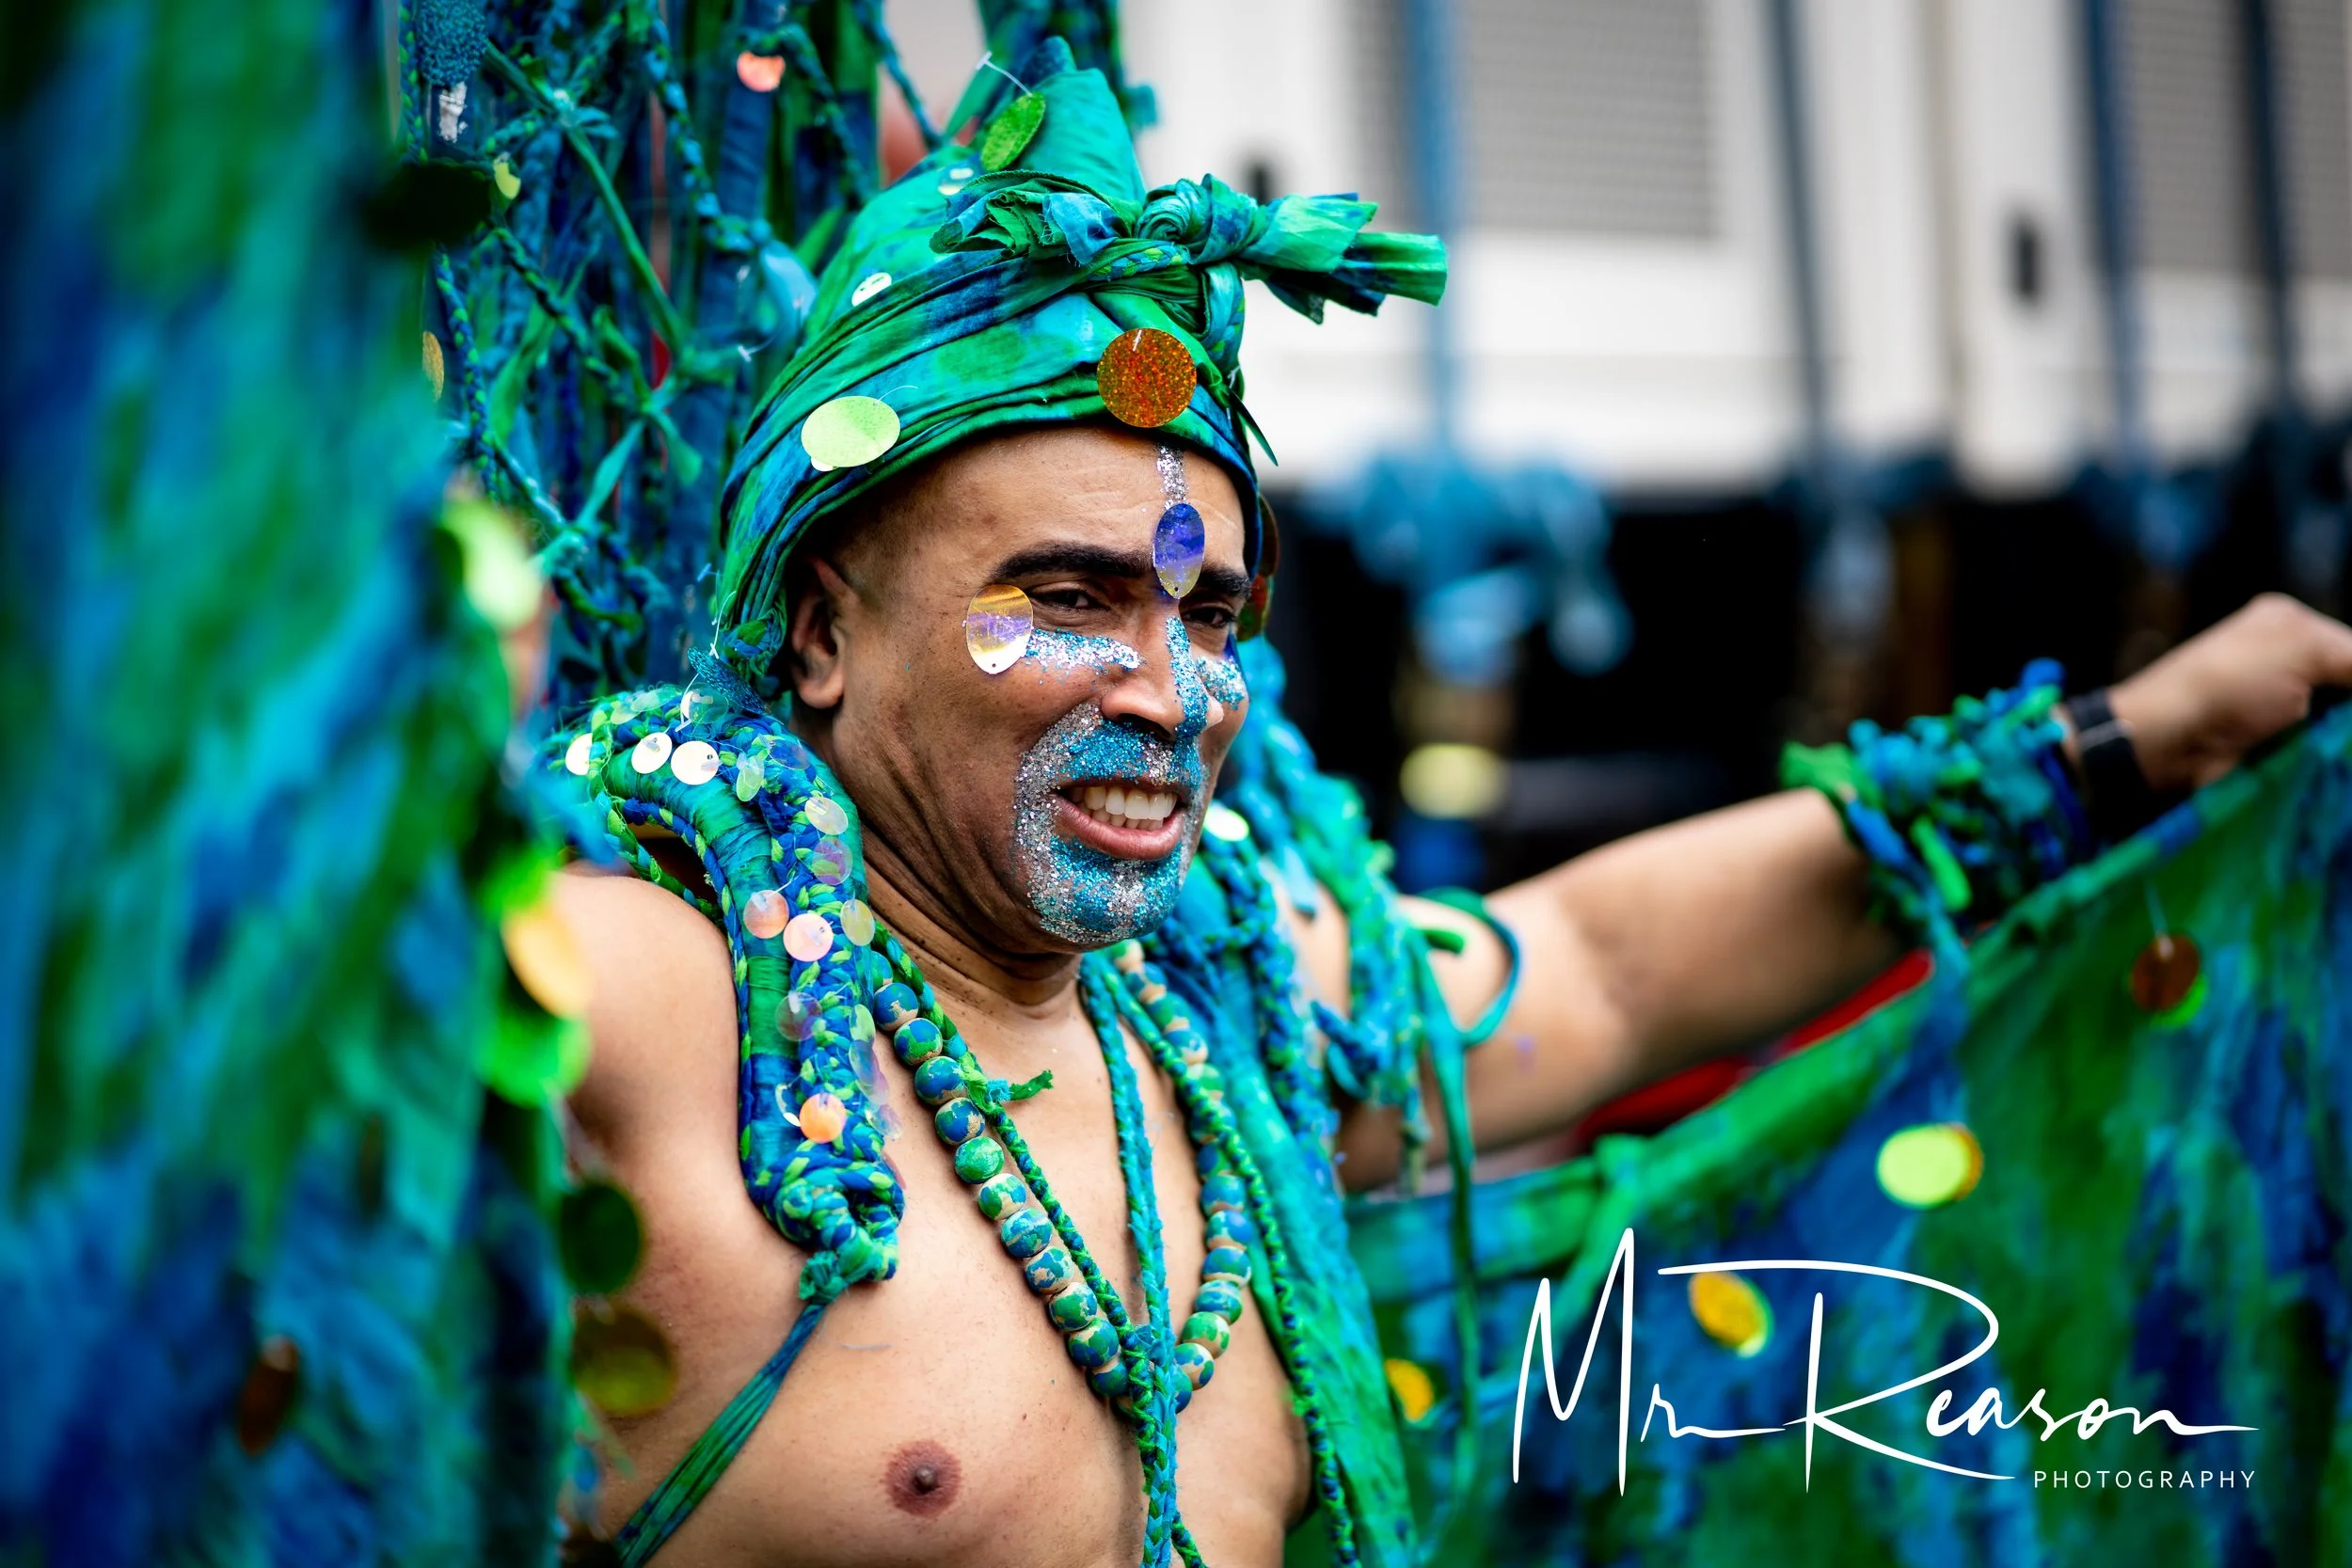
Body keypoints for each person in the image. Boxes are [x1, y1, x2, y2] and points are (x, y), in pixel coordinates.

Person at [545, 41, 2352, 1568]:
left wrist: (2125, 747)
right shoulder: (661, 1009)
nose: (1166, 695)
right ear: (817, 634)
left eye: (1211, 611)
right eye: (1072, 595)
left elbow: (1607, 969)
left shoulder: (1228, 1016)